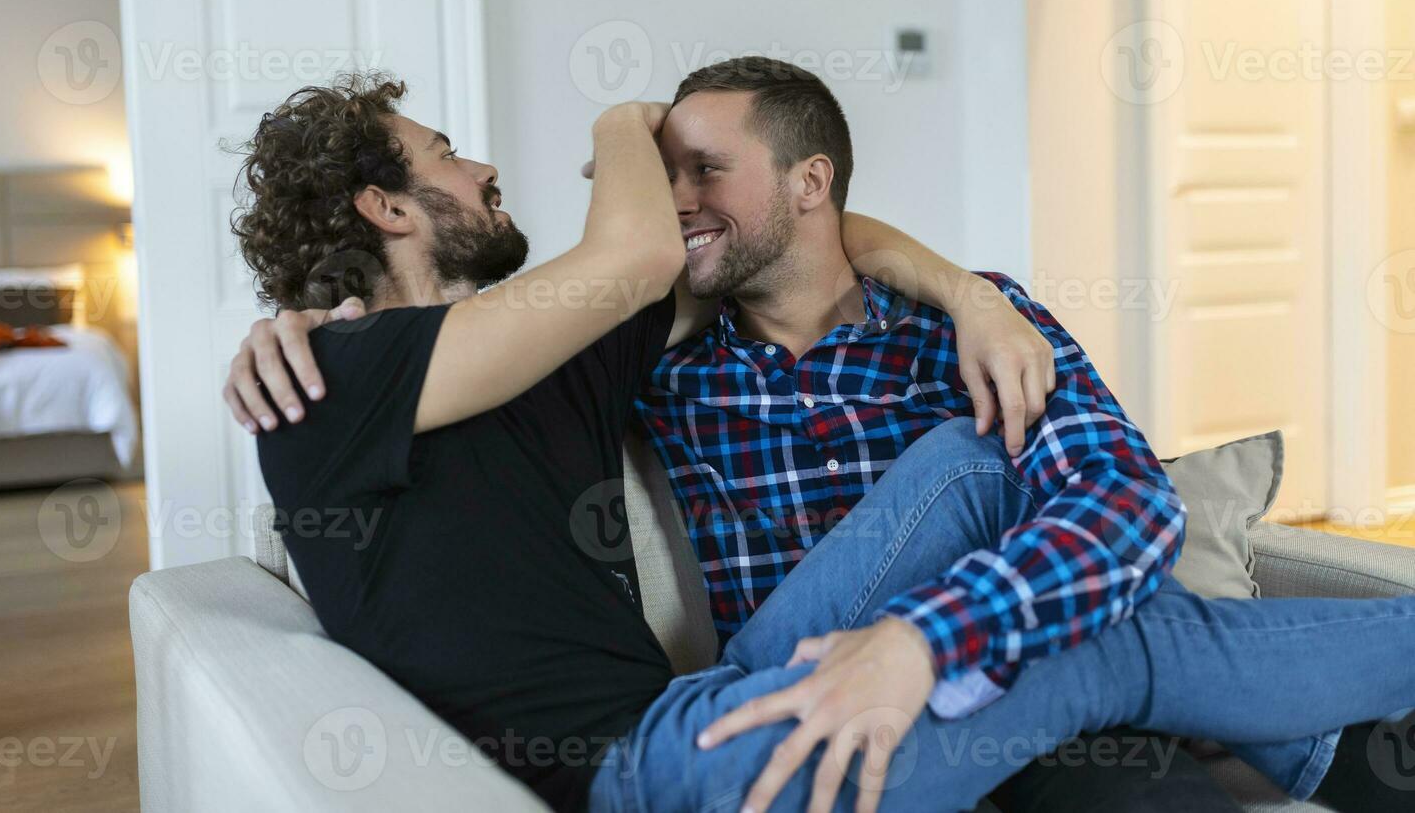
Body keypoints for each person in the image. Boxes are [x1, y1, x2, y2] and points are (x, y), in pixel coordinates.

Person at [225, 71, 1415, 812]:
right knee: (1103, 649)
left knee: (967, 456)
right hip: (656, 768)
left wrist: (969, 293)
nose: (480, 165)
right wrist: (619, 117)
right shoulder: (323, 380)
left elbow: (804, 236)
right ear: (385, 207)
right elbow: (646, 251)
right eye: (442, 152)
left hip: (720, 696)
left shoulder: (544, 351)